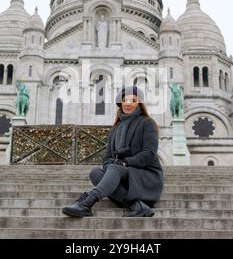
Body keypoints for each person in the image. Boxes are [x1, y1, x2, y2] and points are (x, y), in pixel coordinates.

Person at [62, 86, 164, 218]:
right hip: (121, 174)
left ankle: (86, 202)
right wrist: (111, 164)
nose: (127, 103)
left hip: (145, 175)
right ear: (120, 103)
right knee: (95, 173)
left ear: (139, 103)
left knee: (115, 168)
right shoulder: (115, 129)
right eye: (124, 100)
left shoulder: (147, 123)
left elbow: (149, 154)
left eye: (132, 100)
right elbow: (107, 158)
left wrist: (125, 163)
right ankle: (137, 206)